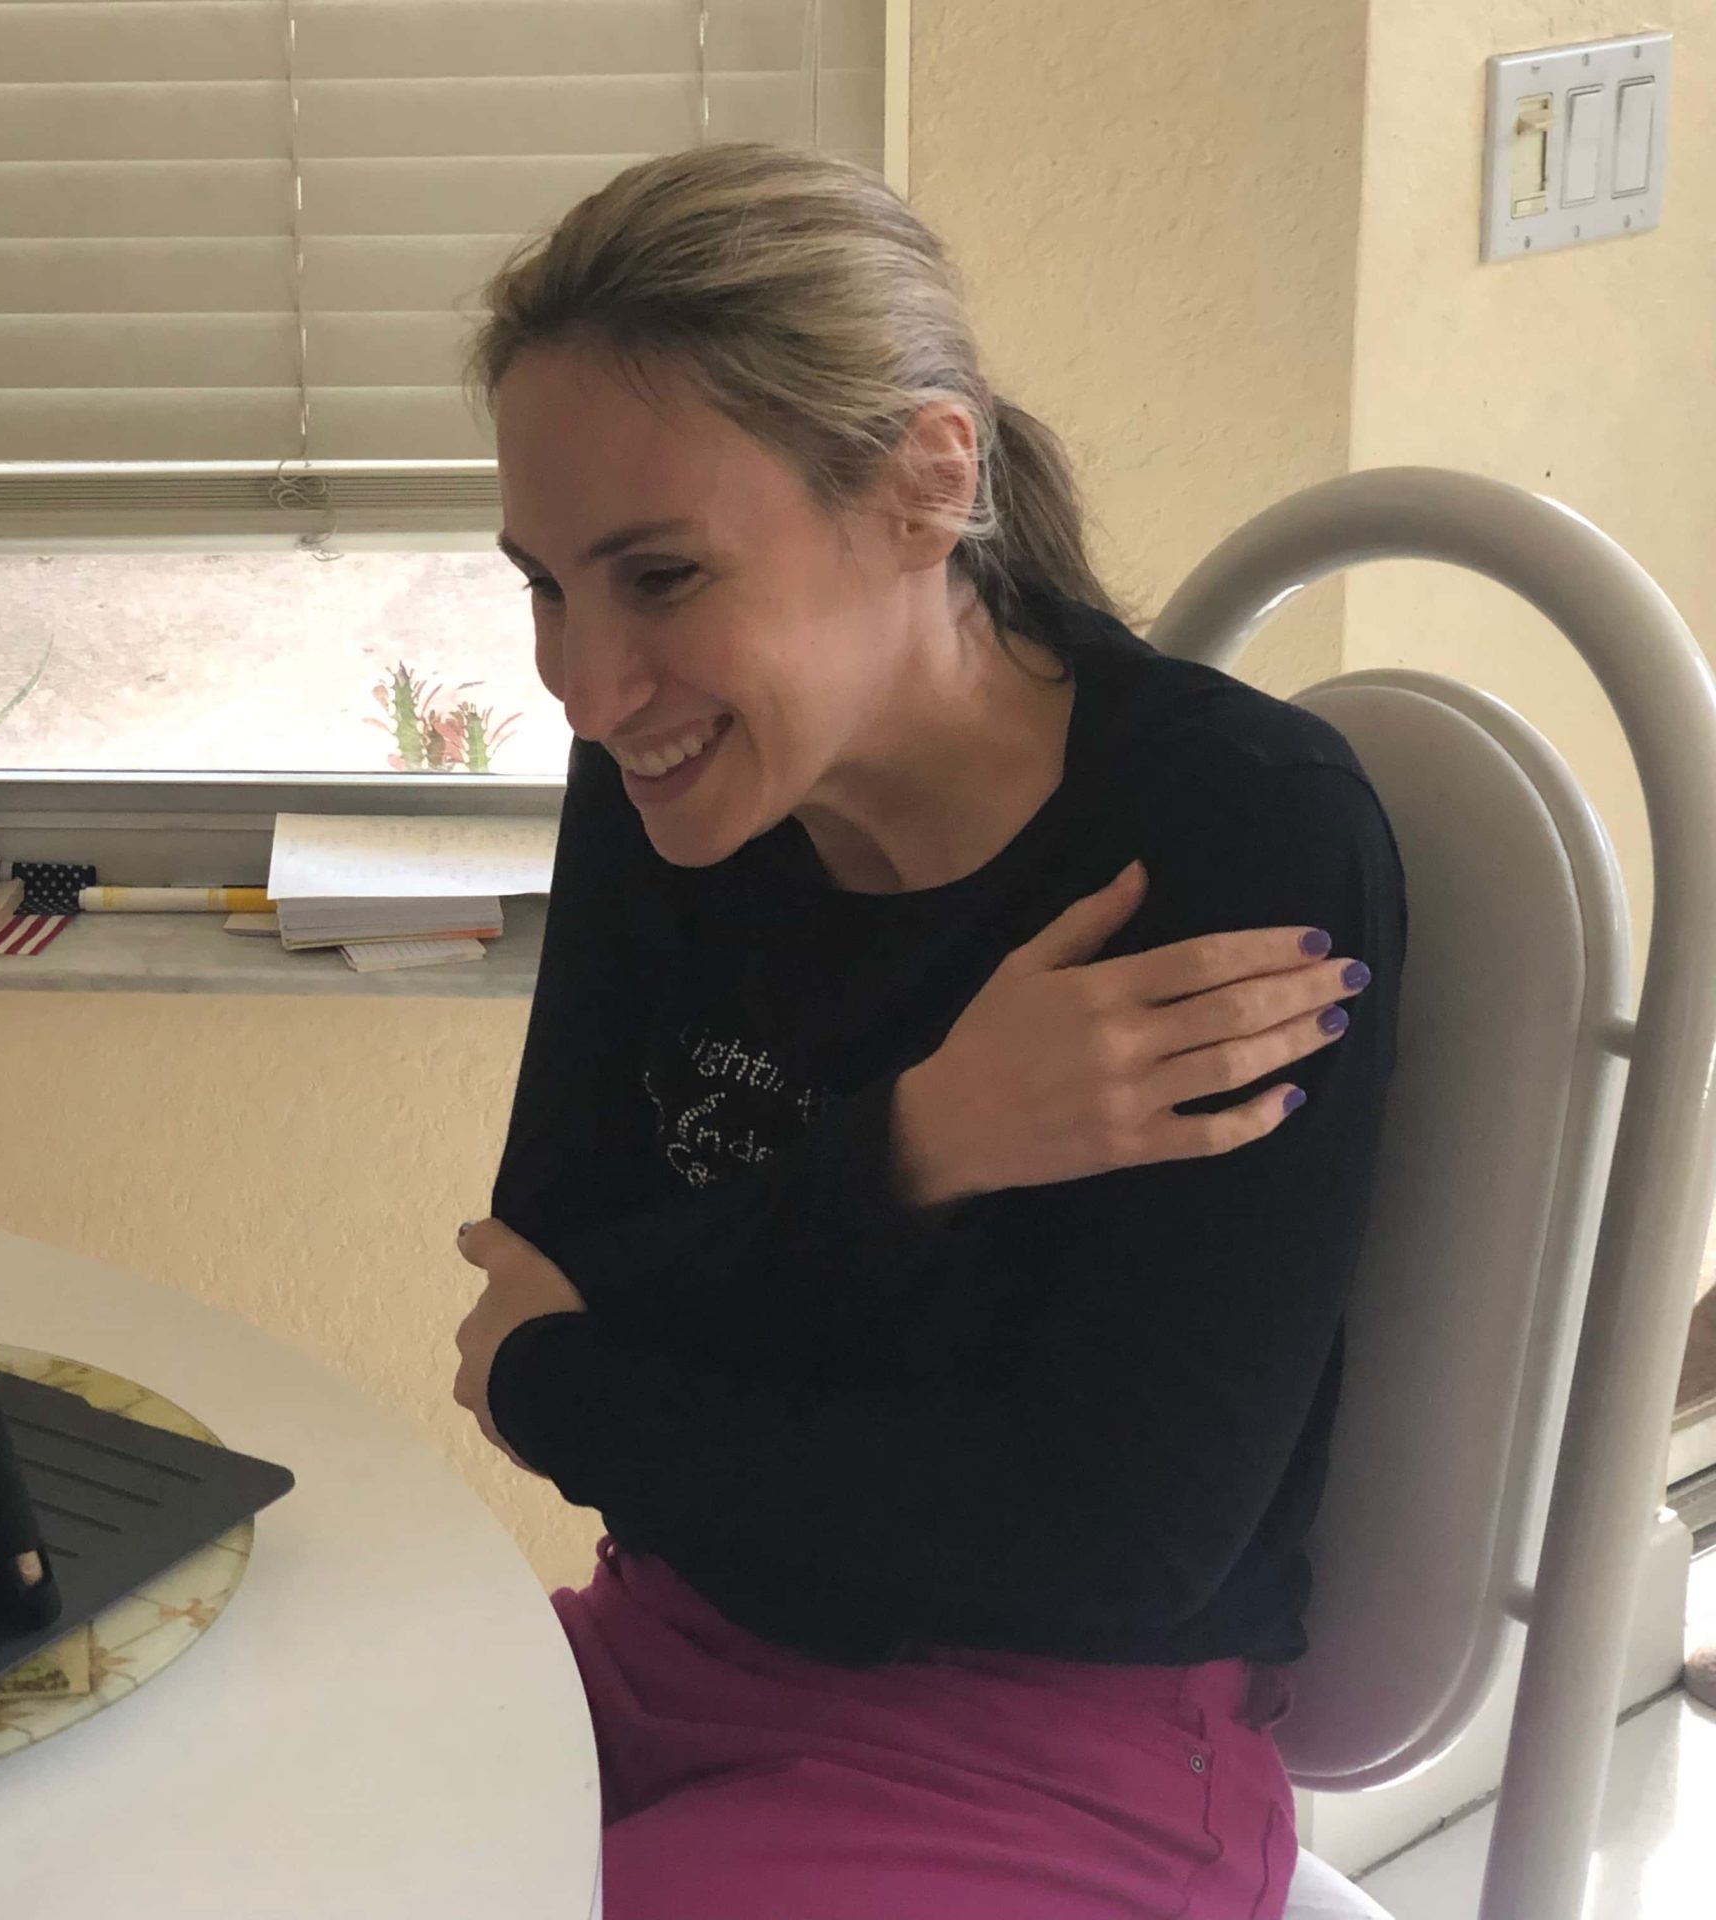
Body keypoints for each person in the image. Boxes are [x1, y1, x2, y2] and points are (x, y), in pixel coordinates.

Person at [448, 144, 1405, 1920]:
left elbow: (1115, 1539)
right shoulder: (665, 782)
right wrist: (915, 1151)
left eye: (658, 578)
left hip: (1064, 1753)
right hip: (661, 1648)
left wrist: (576, 1377)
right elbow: (554, 1253)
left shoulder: (1232, 833)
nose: (583, 684)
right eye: (545, 586)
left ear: (924, 484)